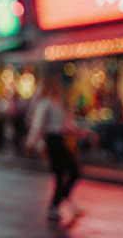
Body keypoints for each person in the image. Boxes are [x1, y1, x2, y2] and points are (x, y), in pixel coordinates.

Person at [27, 78, 83, 222]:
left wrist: (78, 132)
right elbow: (38, 126)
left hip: (59, 140)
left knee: (72, 172)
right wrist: (35, 144)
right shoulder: (45, 104)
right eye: (56, 87)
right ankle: (55, 205)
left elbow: (66, 124)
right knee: (61, 174)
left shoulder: (58, 104)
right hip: (52, 141)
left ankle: (61, 199)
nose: (59, 89)